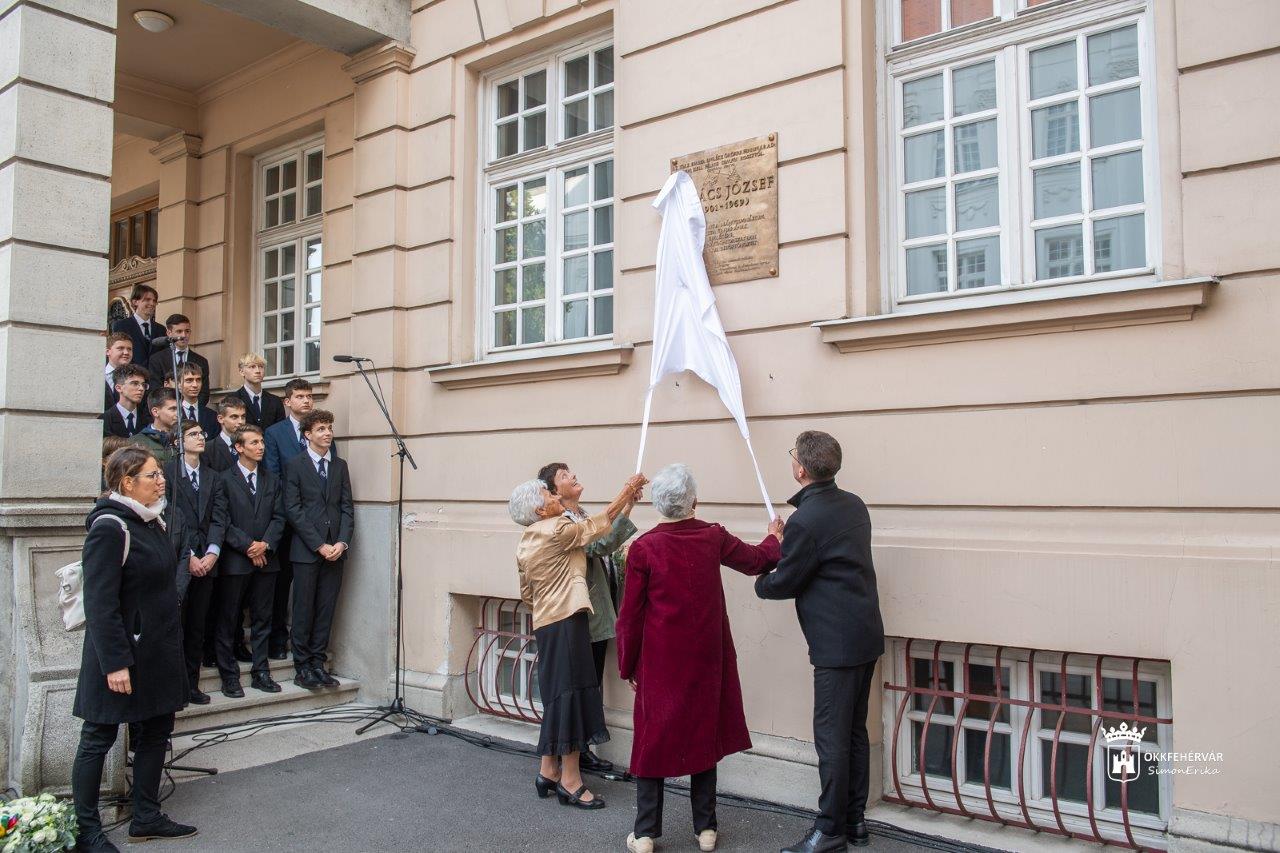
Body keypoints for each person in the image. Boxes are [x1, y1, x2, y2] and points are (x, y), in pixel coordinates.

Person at [615, 464, 783, 853]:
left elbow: (630, 616)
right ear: (694, 501)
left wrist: (628, 664)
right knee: (703, 735)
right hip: (707, 656)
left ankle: (645, 833)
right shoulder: (711, 536)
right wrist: (774, 537)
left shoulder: (644, 548)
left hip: (660, 660)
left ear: (657, 503)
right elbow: (757, 560)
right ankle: (706, 828)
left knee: (651, 740)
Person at [755, 431, 884, 853]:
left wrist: (764, 575)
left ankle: (829, 830)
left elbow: (787, 580)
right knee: (854, 733)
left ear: (801, 470)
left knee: (832, 739)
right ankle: (854, 821)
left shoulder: (805, 521)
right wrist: (787, 542)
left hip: (836, 645)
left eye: (793, 455)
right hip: (865, 633)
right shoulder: (854, 504)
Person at [72, 446, 197, 852]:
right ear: (127, 483)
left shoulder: (151, 519)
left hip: (157, 650)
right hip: (121, 655)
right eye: (152, 475)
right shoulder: (110, 527)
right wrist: (115, 663)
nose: (162, 481)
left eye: (160, 473)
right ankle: (86, 830)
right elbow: (100, 602)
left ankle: (146, 816)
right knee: (99, 736)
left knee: (156, 730)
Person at [507, 471, 646, 811]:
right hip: (568, 621)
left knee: (559, 696)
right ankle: (570, 781)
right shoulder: (558, 528)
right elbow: (598, 525)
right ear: (540, 510)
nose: (555, 498)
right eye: (549, 496)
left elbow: (527, 593)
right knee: (573, 696)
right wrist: (627, 491)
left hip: (547, 623)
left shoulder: (528, 538)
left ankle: (548, 770)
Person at [537, 462, 638, 774]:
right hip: (582, 616)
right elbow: (600, 543)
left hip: (595, 611)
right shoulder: (564, 523)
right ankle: (574, 754)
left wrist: (628, 504)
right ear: (554, 492)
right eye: (564, 476)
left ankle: (576, 753)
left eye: (570, 472)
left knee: (590, 684)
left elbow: (605, 537)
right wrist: (626, 496)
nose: (573, 476)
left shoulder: (580, 515)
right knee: (583, 685)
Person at [209, 425, 287, 696]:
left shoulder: (272, 479)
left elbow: (280, 517)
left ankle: (261, 671)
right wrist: (248, 547)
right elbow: (222, 520)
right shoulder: (223, 479)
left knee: (263, 618)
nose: (261, 446)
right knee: (228, 618)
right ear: (239, 448)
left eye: (261, 441)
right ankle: (229, 675)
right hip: (235, 561)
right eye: (254, 442)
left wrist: (265, 545)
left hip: (267, 560)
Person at [264, 378, 335, 658]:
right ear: (287, 401)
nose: (306, 401)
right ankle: (278, 638)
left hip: (316, 523)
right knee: (282, 583)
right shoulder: (275, 433)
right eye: (300, 396)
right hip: (287, 519)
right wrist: (291, 511)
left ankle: (309, 648)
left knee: (313, 590)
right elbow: (274, 475)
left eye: (309, 396)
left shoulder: (323, 434)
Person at [283, 410, 353, 690]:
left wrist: (341, 542)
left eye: (329, 428)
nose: (327, 433)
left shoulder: (339, 466)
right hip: (307, 550)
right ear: (308, 434)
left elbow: (346, 507)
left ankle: (318, 663)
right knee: (304, 609)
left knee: (326, 609)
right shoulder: (295, 465)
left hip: (335, 550)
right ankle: (302, 667)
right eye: (321, 429)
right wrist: (318, 544)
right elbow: (293, 509)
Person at [165, 422, 221, 706]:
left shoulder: (213, 476)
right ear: (178, 441)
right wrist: (189, 556)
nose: (200, 438)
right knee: (178, 625)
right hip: (179, 560)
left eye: (201, 434)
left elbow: (220, 517)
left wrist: (212, 552)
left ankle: (192, 683)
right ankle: (173, 686)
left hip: (207, 560)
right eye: (193, 435)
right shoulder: (167, 474)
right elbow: (168, 517)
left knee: (198, 626)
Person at [147, 314, 211, 407]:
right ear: (169, 333)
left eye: (187, 331)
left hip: (192, 411)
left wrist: (188, 409)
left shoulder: (201, 361)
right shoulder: (157, 359)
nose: (184, 335)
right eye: (179, 331)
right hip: (167, 410)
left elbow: (204, 393)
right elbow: (155, 390)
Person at [110, 283, 159, 368]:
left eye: (154, 301)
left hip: (155, 375)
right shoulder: (121, 326)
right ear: (135, 302)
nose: (152, 303)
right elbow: (118, 353)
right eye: (147, 300)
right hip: (129, 373)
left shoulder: (161, 329)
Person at [231, 352, 284, 429]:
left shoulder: (275, 401)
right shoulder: (233, 399)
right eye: (252, 367)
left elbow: (280, 430)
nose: (258, 371)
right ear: (241, 372)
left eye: (261, 367)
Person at [129, 388, 178, 466]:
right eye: (173, 409)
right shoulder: (135, 442)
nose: (178, 414)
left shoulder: (186, 438)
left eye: (180, 409)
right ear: (155, 412)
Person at [101, 365, 151, 438]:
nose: (141, 388)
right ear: (119, 388)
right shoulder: (104, 420)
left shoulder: (148, 420)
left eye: (143, 385)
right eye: (135, 383)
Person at [173, 362, 219, 440]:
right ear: (178, 384)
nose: (195, 385)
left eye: (198, 380)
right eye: (189, 380)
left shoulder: (212, 416)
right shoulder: (173, 414)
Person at [204, 397, 247, 473]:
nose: (240, 421)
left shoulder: (251, 444)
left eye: (243, 417)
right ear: (220, 419)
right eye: (234, 417)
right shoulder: (208, 449)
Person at [103, 333, 134, 410]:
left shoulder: (137, 378)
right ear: (107, 352)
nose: (126, 352)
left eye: (129, 349)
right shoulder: (98, 376)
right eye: (120, 348)